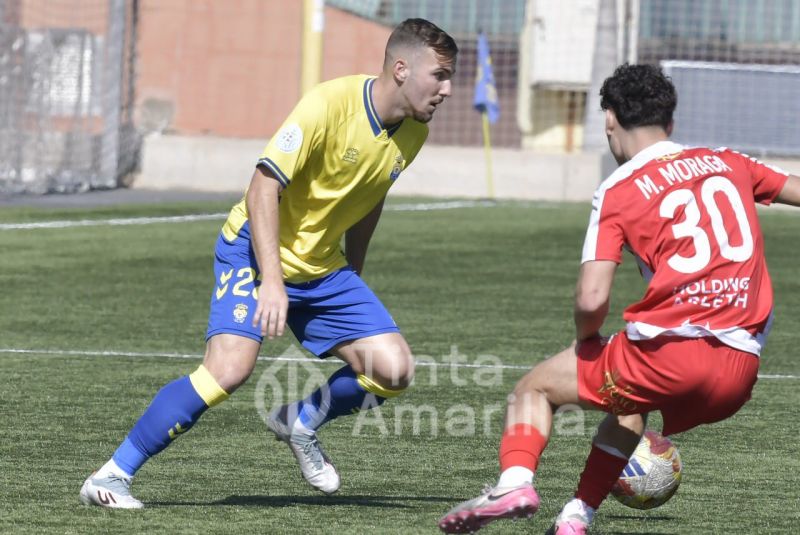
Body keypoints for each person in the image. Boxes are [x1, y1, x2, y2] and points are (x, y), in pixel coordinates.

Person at [80, 18, 457, 509]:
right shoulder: (328, 104)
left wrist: (354, 272)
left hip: (322, 267)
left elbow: (371, 195)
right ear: (402, 69)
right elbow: (263, 186)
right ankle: (110, 476)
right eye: (440, 75)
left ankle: (298, 419)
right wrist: (273, 282)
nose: (448, 90)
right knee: (229, 370)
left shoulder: (413, 133)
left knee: (394, 371)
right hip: (254, 252)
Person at [438, 63, 800, 534]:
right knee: (628, 404)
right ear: (669, 123)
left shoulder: (618, 189)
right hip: (740, 368)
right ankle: (575, 517)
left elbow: (592, 299)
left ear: (609, 119)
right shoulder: (729, 161)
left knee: (535, 388)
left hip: (674, 353)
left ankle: (514, 482)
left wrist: (586, 341)